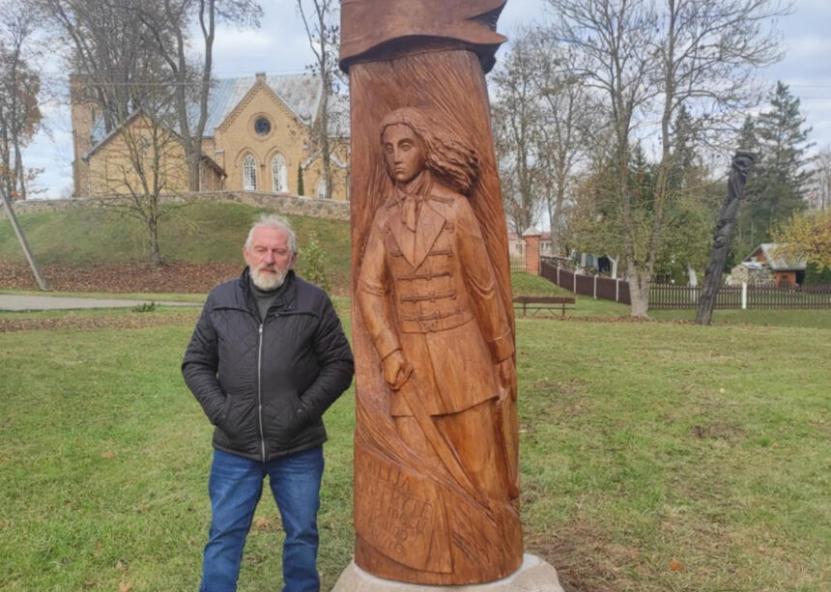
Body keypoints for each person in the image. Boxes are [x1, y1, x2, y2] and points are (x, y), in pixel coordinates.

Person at [354, 107, 521, 583]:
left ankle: (488, 552)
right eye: (388, 149)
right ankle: (432, 563)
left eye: (405, 146)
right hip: (410, 371)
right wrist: (389, 352)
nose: (395, 157)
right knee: (421, 475)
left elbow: (484, 287)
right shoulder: (384, 218)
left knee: (482, 472)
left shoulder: (456, 209)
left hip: (464, 361)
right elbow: (369, 288)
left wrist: (503, 355)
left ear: (425, 150)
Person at [183, 214, 354, 592]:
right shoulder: (221, 300)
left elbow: (340, 364)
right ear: (247, 253)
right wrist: (222, 412)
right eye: (261, 249)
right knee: (224, 534)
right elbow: (195, 362)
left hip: (298, 446)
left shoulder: (314, 301)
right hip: (235, 447)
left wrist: (301, 411)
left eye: (279, 251)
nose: (269, 259)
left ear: (292, 258)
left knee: (302, 534)